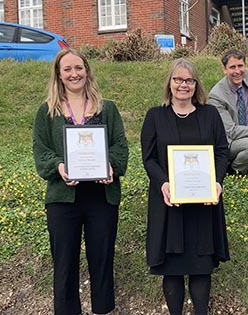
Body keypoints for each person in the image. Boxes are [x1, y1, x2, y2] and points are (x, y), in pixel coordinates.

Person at [33, 48, 129, 315]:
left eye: (79, 68)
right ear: (59, 75)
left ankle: (103, 310)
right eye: (68, 69)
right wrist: (59, 166)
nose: (74, 74)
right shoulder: (47, 112)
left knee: (102, 261)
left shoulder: (107, 108)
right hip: (63, 200)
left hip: (102, 197)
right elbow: (41, 152)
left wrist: (112, 166)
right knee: (64, 265)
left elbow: (121, 146)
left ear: (87, 71)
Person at [140, 58, 230, 315]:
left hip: (202, 203)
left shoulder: (210, 114)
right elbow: (149, 158)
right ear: (169, 83)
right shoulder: (155, 116)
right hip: (169, 203)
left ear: (196, 84)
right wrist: (164, 183)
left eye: (189, 80)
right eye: (178, 79)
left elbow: (222, 152)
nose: (183, 85)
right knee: (173, 268)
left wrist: (216, 182)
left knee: (200, 265)